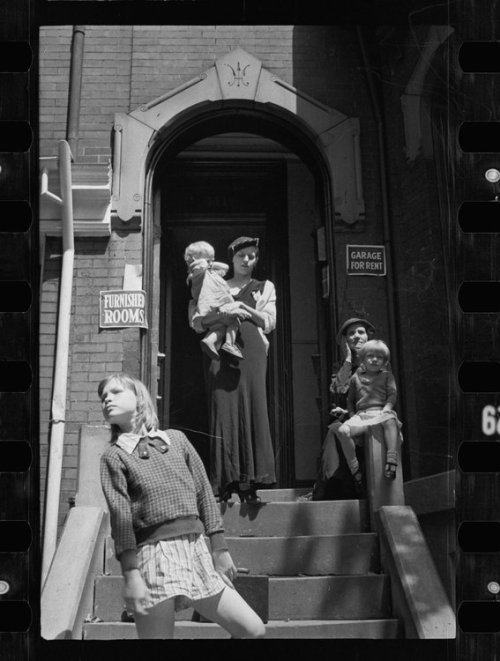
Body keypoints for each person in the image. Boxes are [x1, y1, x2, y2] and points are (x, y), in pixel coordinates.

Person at [98, 372, 265, 639]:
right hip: (152, 556)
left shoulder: (176, 440)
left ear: (139, 398)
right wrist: (130, 573)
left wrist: (219, 549)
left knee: (253, 630)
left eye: (115, 392)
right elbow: (121, 519)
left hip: (196, 549)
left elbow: (204, 496)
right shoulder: (114, 456)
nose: (107, 398)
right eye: (103, 396)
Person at [189, 236, 277, 505]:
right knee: (222, 410)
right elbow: (197, 322)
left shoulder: (264, 287)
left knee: (253, 407)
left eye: (252, 256)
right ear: (231, 257)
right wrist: (223, 315)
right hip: (219, 354)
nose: (247, 260)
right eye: (242, 255)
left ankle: (252, 482)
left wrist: (242, 308)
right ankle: (224, 484)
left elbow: (269, 322)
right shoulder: (213, 283)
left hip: (250, 351)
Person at [311, 317, 376, 500]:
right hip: (349, 425)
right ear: (345, 340)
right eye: (351, 333)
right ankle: (353, 483)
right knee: (335, 430)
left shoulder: (377, 362)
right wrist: (348, 359)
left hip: (370, 422)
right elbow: (338, 390)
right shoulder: (340, 367)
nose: (356, 336)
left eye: (360, 332)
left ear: (368, 337)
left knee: (334, 431)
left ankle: (323, 490)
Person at [337, 339, 403, 484]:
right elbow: (350, 400)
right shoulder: (355, 378)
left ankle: (391, 458)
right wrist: (352, 416)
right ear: (363, 359)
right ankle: (355, 468)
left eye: (379, 357)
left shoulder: (387, 376)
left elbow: (392, 394)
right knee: (343, 431)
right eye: (370, 356)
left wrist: (386, 409)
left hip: (381, 411)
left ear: (385, 362)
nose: (374, 359)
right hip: (362, 416)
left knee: (390, 421)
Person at [184, 241, 243, 360]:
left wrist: (210, 262)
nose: (211, 262)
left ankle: (209, 340)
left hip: (213, 309)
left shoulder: (209, 271)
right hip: (210, 308)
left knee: (220, 327)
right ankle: (229, 344)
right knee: (234, 319)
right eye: (209, 259)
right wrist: (203, 261)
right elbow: (201, 265)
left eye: (212, 259)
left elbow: (225, 267)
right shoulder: (197, 272)